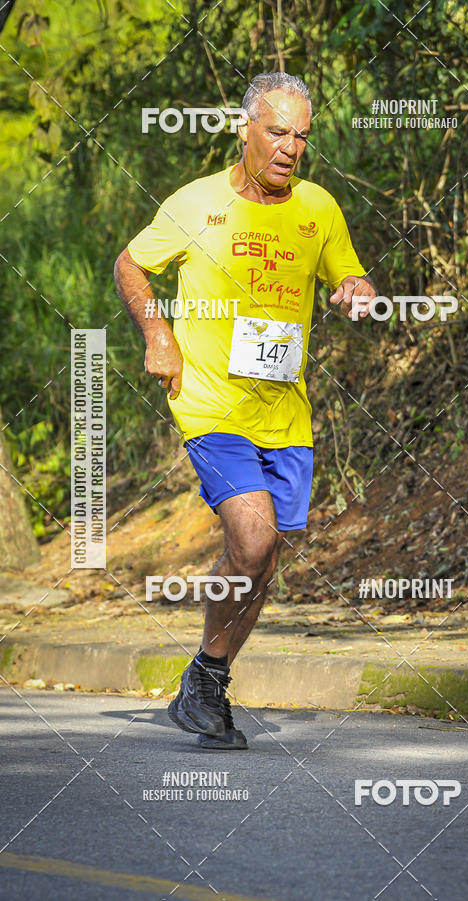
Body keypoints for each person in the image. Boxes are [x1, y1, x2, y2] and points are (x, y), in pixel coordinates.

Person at [114, 72, 376, 749]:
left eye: (302, 136)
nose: (291, 148)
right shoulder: (196, 204)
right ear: (245, 128)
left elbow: (349, 272)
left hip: (286, 414)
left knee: (261, 558)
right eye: (277, 131)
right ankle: (206, 681)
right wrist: (158, 333)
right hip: (211, 403)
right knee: (253, 539)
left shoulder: (317, 208)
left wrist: (356, 289)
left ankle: (207, 678)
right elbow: (130, 266)